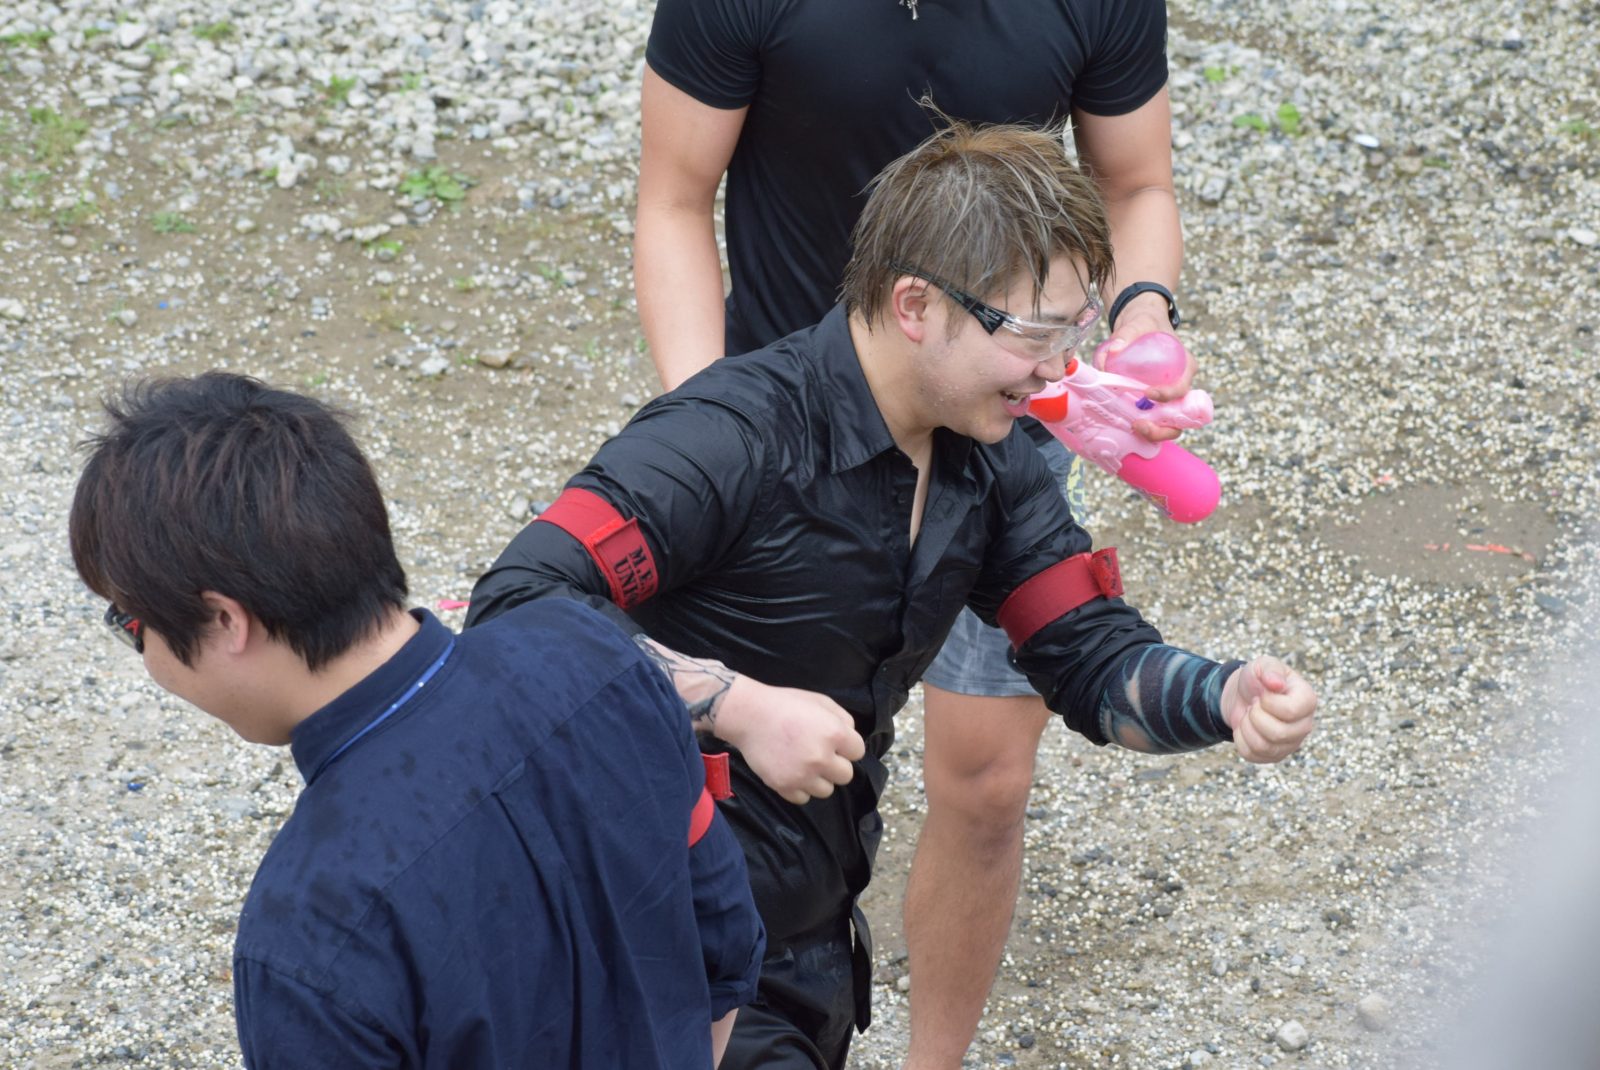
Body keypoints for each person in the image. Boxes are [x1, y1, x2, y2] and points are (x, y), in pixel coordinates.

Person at [474, 121, 1316, 1069]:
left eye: (1075, 330)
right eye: (1034, 333)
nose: (1058, 369)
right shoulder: (729, 437)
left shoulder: (990, 461)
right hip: (637, 940)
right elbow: (516, 605)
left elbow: (1088, 655)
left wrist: (1223, 696)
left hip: (807, 939)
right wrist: (736, 705)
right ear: (916, 304)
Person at [633, 3, 1190, 1062]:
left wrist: (1141, 317)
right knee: (763, 773)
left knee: (988, 782)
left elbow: (1135, 183)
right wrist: (713, 424)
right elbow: (673, 198)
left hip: (996, 415)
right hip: (791, 437)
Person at [68, 373, 765, 1069]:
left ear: (225, 620)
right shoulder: (597, 655)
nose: (146, 656)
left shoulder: (307, 929)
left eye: (130, 623)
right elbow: (727, 944)